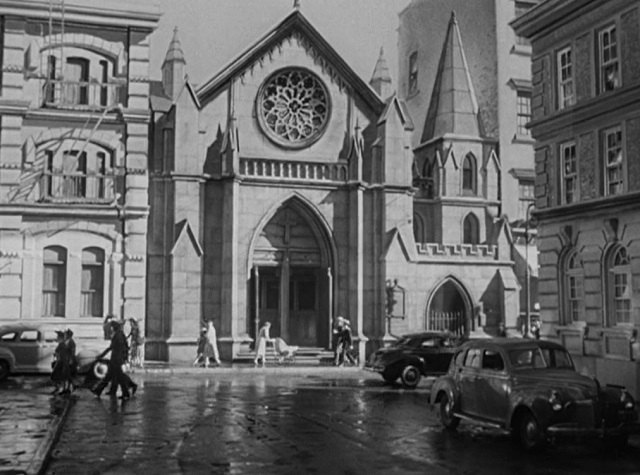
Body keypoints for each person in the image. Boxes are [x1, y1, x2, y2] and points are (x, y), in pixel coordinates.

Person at [92, 320, 137, 400]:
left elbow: (113, 348)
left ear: (113, 327)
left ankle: (126, 393)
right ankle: (99, 391)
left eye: (111, 327)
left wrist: (101, 356)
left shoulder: (118, 335)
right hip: (116, 360)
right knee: (113, 377)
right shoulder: (119, 334)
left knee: (119, 377)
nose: (110, 328)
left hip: (117, 360)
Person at [51, 330, 71, 395]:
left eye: (58, 337)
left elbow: (62, 355)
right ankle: (62, 389)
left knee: (57, 377)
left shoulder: (62, 345)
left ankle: (60, 389)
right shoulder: (62, 344)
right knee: (60, 377)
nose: (56, 338)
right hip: (61, 362)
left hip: (61, 363)